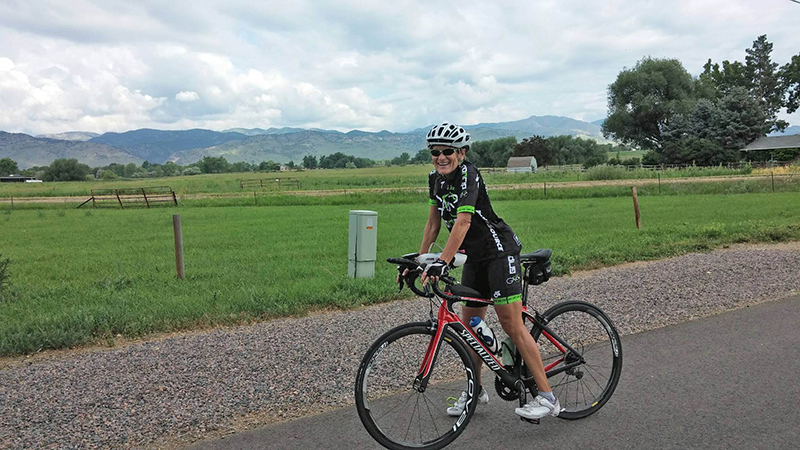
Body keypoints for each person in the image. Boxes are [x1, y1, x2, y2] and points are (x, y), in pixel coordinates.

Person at [415, 122, 560, 420]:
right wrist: (421, 260)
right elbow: (432, 224)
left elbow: (464, 222)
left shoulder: (469, 173)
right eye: (435, 152)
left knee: (511, 324)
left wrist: (442, 260)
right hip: (473, 258)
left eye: (448, 152)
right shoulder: (435, 179)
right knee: (470, 331)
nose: (441, 157)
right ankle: (475, 391)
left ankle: (547, 397)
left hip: (499, 252)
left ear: (462, 152)